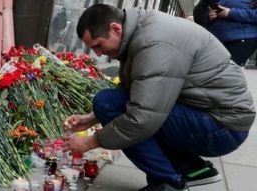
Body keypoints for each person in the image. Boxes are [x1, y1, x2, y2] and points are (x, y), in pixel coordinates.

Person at [62, 4, 255, 191]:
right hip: (216, 114)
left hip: (222, 126)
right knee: (109, 103)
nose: (98, 53)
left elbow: (142, 118)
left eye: (98, 45)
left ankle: (168, 183)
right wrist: (91, 118)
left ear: (115, 28)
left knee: (118, 109)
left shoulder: (153, 42)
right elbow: (136, 90)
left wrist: (91, 142)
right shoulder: (141, 30)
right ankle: (191, 167)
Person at [197, 0, 257, 66]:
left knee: (222, 69)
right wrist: (210, 17)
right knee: (214, 69)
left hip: (242, 39)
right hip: (218, 39)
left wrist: (231, 12)